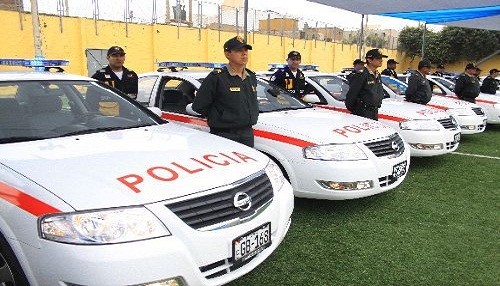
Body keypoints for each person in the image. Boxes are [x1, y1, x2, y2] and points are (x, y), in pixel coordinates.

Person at [192, 36, 258, 147]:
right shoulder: (217, 77)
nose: (244, 54)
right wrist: (222, 116)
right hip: (224, 134)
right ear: (227, 54)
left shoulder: (251, 77)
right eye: (239, 50)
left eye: (246, 50)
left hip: (247, 134)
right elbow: (199, 106)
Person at [345, 49, 387, 120]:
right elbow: (351, 96)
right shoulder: (361, 74)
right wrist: (357, 110)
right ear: (369, 60)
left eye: (381, 58)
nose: (381, 60)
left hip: (374, 112)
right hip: (363, 113)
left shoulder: (377, 75)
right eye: (378, 58)